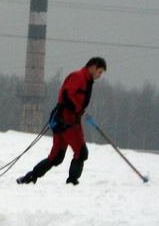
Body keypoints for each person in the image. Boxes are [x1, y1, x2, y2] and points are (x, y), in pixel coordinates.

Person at [17, 57, 106, 186]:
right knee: (81, 153)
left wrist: (80, 111)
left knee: (56, 157)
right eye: (100, 72)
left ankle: (31, 176)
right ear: (93, 67)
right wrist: (78, 109)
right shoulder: (78, 77)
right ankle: (72, 182)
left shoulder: (86, 81)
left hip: (64, 122)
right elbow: (66, 96)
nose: (100, 75)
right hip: (67, 122)